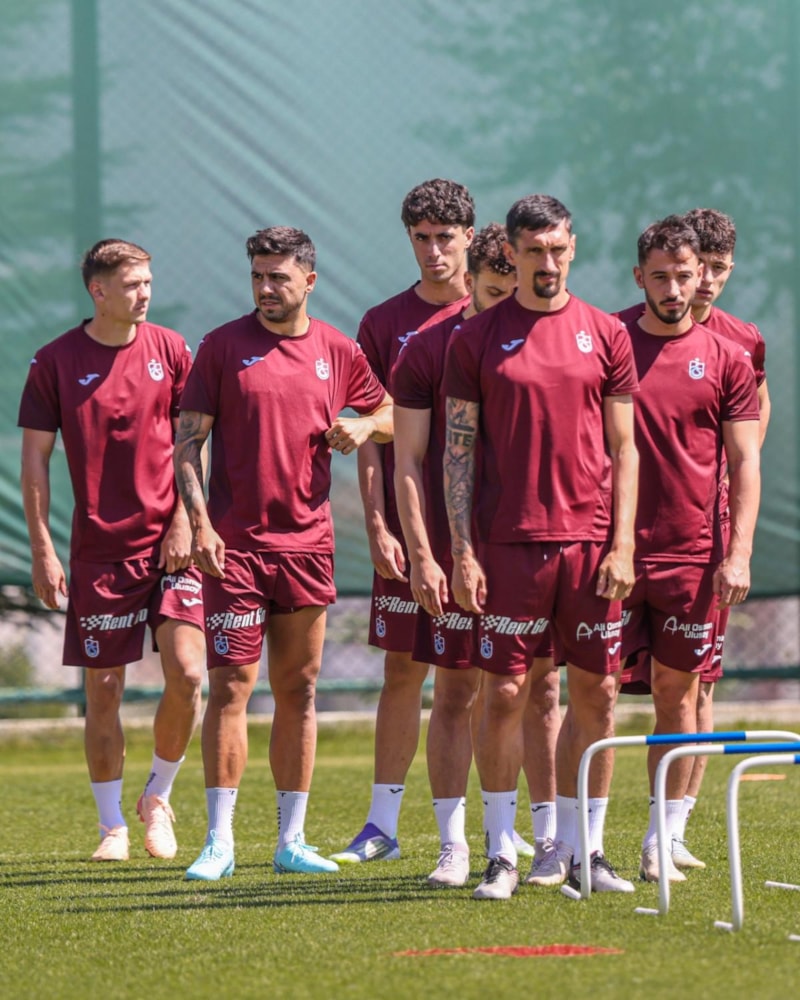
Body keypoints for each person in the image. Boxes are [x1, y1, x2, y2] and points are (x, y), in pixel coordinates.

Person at [174, 226, 392, 881]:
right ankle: (219, 842)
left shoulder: (338, 349)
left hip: (307, 547)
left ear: (309, 282)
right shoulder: (221, 346)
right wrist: (200, 523)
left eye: (279, 277)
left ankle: (291, 841)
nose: (266, 288)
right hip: (234, 548)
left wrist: (363, 423)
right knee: (230, 687)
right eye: (257, 277)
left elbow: (392, 414)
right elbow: (188, 443)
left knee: (299, 688)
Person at [443, 194, 640, 899]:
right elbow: (458, 453)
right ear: (513, 254)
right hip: (507, 544)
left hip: (591, 545)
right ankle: (501, 853)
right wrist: (462, 551)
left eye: (558, 249)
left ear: (573, 248)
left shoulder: (606, 333)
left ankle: (587, 851)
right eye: (534, 251)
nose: (547, 262)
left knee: (600, 694)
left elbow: (625, 448)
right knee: (503, 694)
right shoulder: (475, 340)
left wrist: (623, 543)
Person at [18, 239, 205, 862]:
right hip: (99, 553)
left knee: (189, 674)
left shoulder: (171, 349)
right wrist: (43, 549)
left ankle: (157, 796)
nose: (144, 293)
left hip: (170, 546)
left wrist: (185, 521)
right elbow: (35, 462)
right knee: (103, 689)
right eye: (131, 284)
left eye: (148, 281)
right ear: (98, 292)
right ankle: (112, 827)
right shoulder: (54, 361)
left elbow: (192, 444)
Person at [391, 223, 561, 887]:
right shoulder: (431, 349)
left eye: (514, 291)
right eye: (493, 292)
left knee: (537, 689)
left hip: (528, 545)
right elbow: (408, 460)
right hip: (453, 545)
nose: (505, 305)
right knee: (457, 689)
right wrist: (424, 554)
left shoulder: (547, 339)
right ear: (471, 284)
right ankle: (453, 844)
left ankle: (546, 840)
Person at [332, 178, 487, 865]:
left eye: (445, 237)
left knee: (473, 677)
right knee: (403, 668)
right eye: (420, 238)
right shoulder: (383, 322)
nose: (433, 251)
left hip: (482, 529)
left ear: (470, 237)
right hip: (410, 523)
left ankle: (492, 829)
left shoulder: (496, 309)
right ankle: (381, 826)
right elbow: (370, 430)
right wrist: (378, 524)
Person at [618, 208, 769, 871]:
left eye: (704, 271)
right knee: (585, 692)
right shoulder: (612, 338)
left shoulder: (738, 348)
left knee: (689, 691)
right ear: (644, 276)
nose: (689, 285)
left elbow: (747, 448)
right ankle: (572, 838)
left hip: (696, 547)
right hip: (616, 550)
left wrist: (738, 546)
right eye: (669, 274)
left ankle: (668, 832)